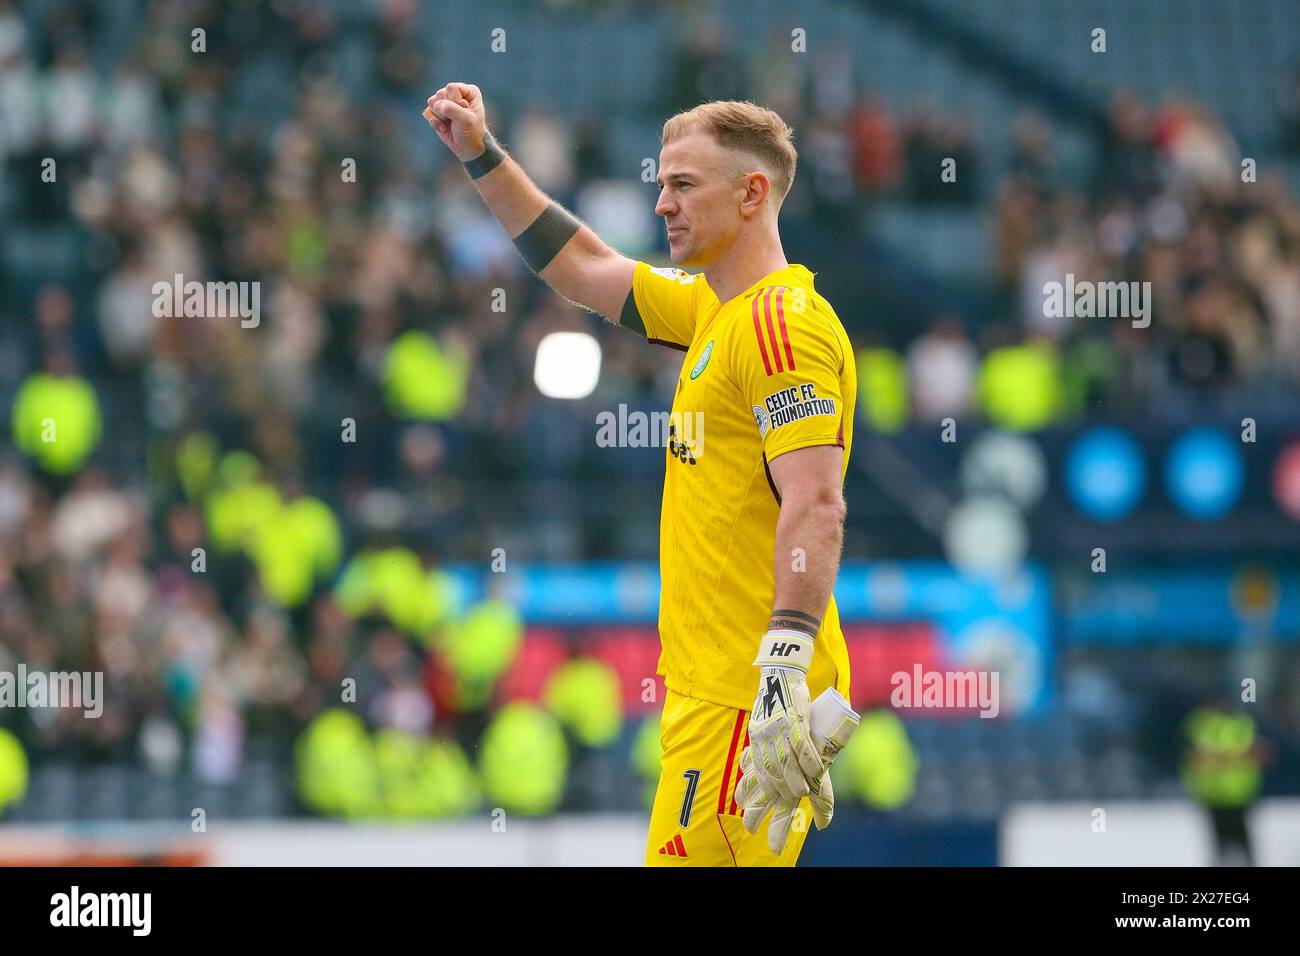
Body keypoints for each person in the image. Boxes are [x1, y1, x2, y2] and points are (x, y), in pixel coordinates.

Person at [424, 84, 855, 866]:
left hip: (742, 698)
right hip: (713, 695)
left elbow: (818, 503)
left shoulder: (780, 323)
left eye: (683, 184)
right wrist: (481, 155)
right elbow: (583, 265)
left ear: (751, 193)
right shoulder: (716, 312)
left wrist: (784, 664)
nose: (662, 204)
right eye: (661, 183)